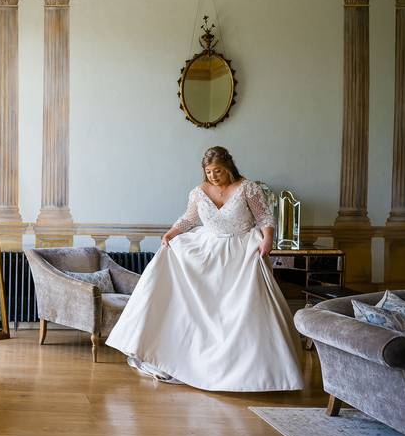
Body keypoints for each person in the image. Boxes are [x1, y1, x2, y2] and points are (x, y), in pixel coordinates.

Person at [104, 146, 304, 391]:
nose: (213, 176)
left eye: (217, 171)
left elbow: (264, 218)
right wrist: (170, 233)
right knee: (171, 256)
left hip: (240, 249)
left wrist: (267, 239)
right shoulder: (199, 192)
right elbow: (189, 219)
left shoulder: (247, 188)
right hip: (207, 248)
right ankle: (185, 357)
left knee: (237, 310)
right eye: (208, 172)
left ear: (228, 167)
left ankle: (249, 373)